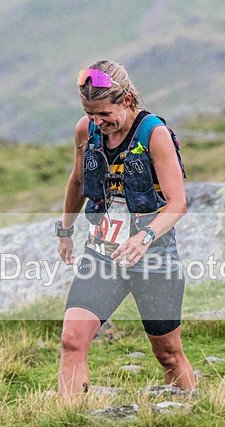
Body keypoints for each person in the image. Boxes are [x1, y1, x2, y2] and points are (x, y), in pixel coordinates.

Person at [55, 59, 196, 399]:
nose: (98, 122)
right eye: (90, 114)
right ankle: (69, 419)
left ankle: (193, 411)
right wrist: (65, 231)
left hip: (153, 256)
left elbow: (177, 203)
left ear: (127, 100)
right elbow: (78, 181)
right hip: (102, 253)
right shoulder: (86, 130)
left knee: (168, 354)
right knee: (72, 340)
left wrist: (145, 237)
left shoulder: (154, 134)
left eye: (104, 113)